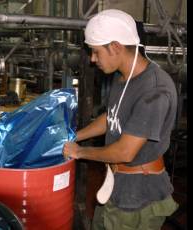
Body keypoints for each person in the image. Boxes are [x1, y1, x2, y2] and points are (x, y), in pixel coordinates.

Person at [63, 9, 179, 229]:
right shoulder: (123, 77)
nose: (92, 59)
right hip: (116, 184)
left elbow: (125, 152)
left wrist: (79, 152)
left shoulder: (154, 90)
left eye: (96, 52)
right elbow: (113, 116)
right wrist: (75, 135)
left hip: (138, 197)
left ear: (115, 47)